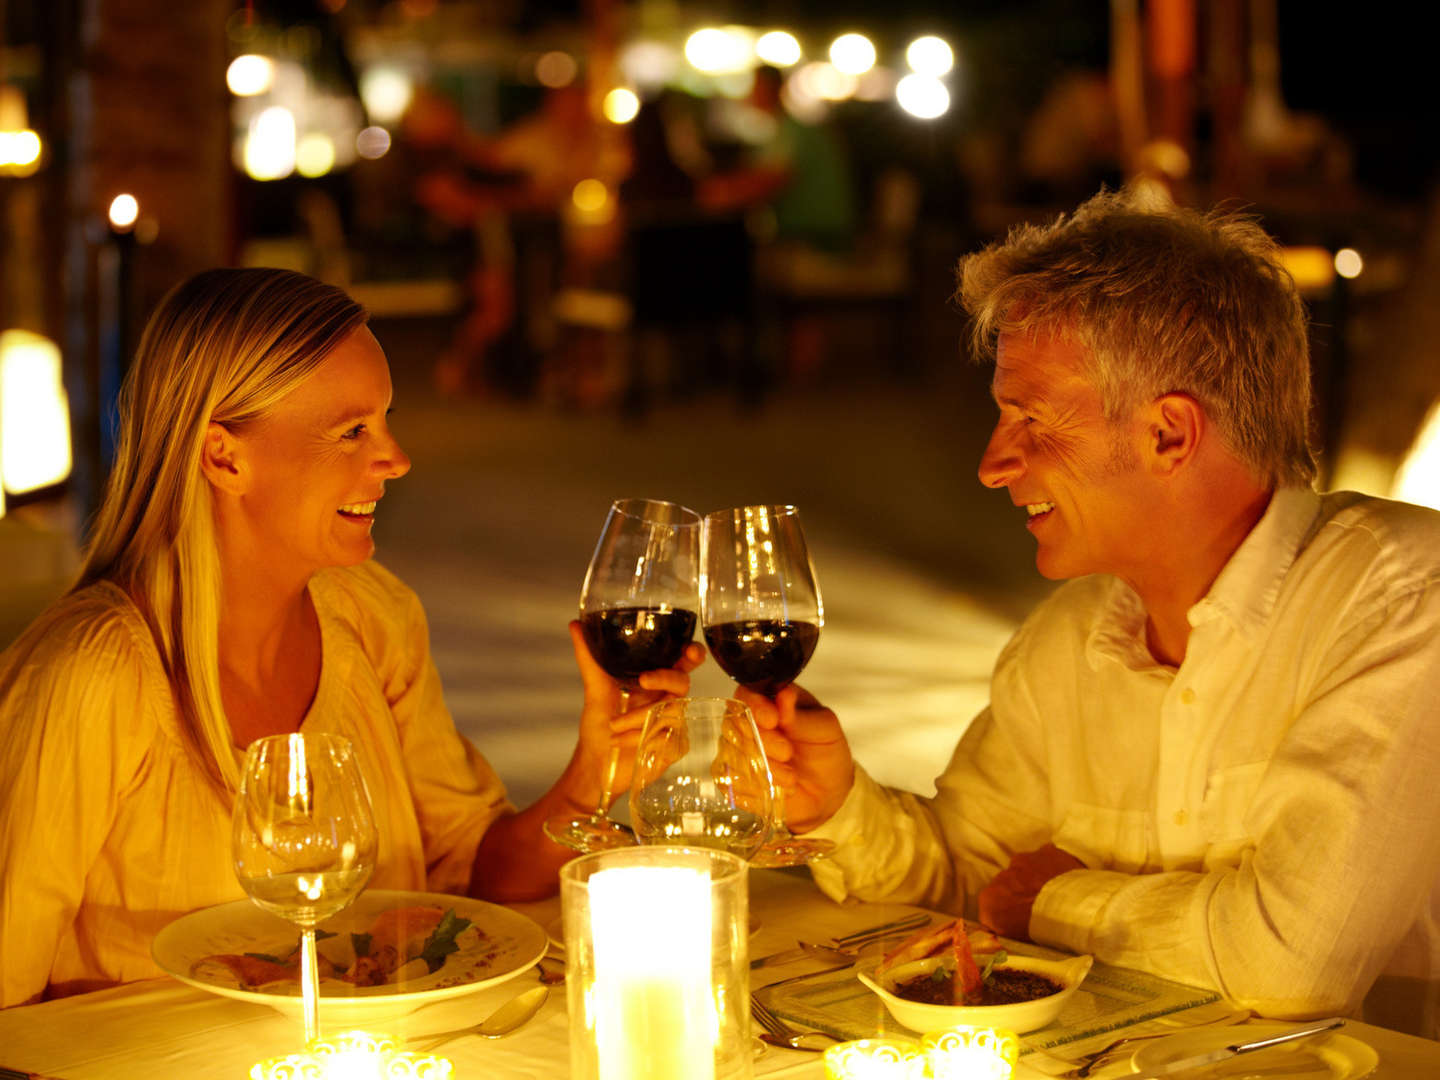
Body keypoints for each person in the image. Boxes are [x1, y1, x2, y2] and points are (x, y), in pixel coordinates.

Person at [743, 188, 1440, 1037]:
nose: (994, 464)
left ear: (1169, 436)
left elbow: (1296, 965)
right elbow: (968, 884)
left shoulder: (1404, 598)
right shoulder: (1069, 640)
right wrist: (839, 805)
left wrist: (1054, 902)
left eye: (1029, 417)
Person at [0, 267, 702, 1008]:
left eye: (385, 420)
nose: (395, 458)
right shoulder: (94, 676)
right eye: (353, 431)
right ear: (224, 457)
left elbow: (473, 874)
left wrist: (594, 774)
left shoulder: (373, 616)